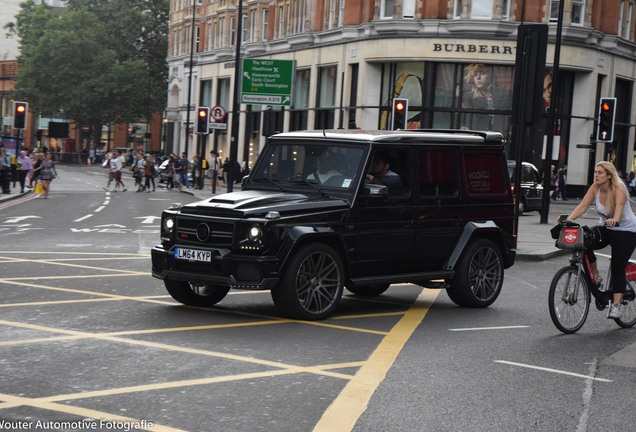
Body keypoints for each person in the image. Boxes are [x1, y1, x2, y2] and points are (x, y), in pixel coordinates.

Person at [561, 161, 636, 319]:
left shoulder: (619, 188)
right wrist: (568, 219)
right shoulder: (595, 188)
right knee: (585, 240)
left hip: (626, 231)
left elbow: (619, 209)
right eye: (595, 172)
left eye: (600, 172)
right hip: (608, 229)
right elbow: (582, 206)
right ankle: (596, 275)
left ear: (609, 175)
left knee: (617, 266)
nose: (596, 175)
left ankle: (616, 305)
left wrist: (614, 219)